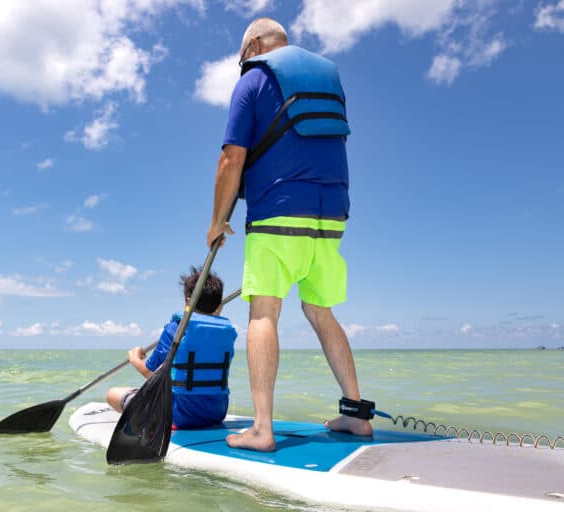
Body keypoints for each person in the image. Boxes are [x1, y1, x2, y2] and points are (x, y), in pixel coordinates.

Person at [206, 18, 373, 452]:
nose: (242, 61)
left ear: (255, 45)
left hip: (278, 212)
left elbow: (231, 159)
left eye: (242, 54)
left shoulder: (255, 78)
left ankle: (262, 429)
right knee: (321, 311)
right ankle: (357, 416)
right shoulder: (328, 83)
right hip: (332, 216)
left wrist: (217, 220)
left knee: (264, 312)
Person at [106, 267, 237, 429]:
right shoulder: (227, 333)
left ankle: (146, 421)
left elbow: (151, 374)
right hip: (216, 414)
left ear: (188, 301)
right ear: (220, 306)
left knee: (112, 394)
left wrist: (135, 359)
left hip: (179, 416)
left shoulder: (175, 330)